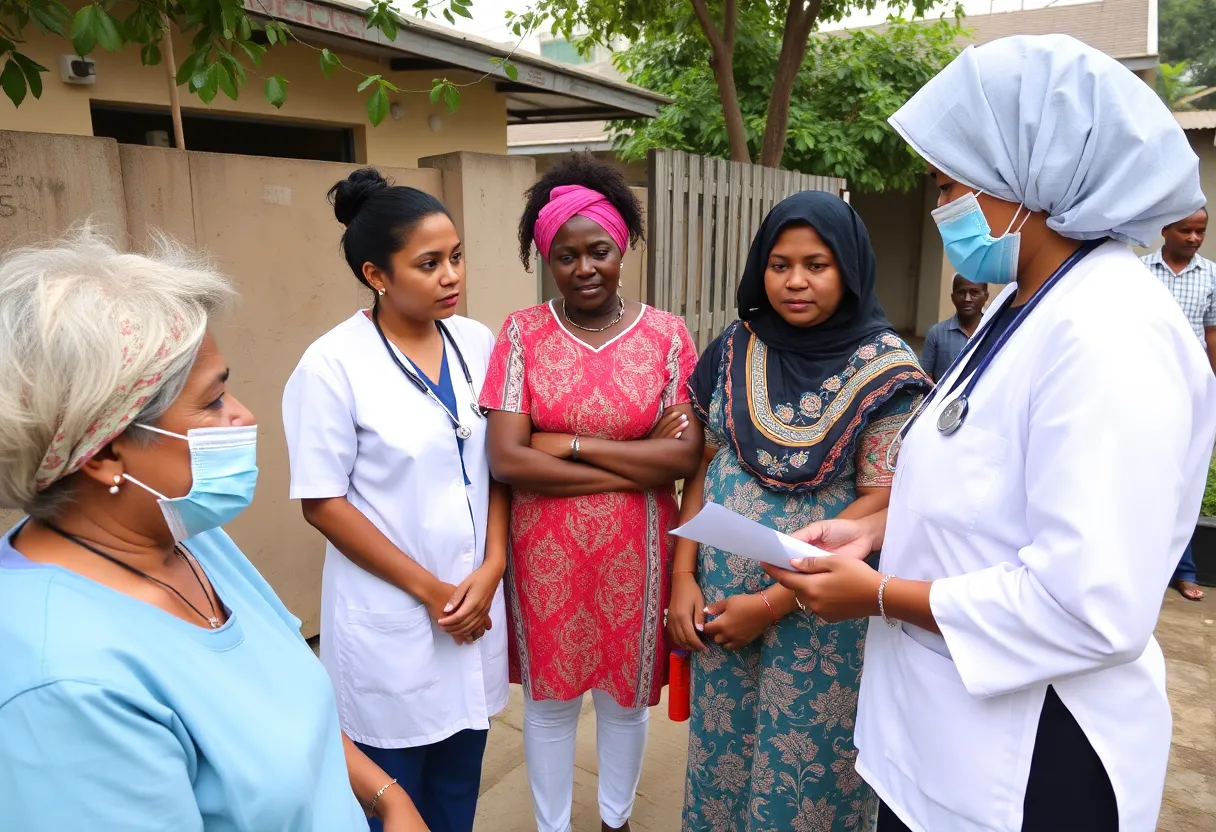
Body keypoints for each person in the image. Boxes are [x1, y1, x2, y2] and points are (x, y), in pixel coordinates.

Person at [765, 35, 1216, 832]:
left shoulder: (1110, 332)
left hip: (1034, 757)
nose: (940, 207)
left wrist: (876, 594)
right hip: (943, 735)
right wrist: (873, 529)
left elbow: (1089, 604)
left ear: (1031, 177)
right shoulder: (1027, 303)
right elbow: (988, 483)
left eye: (950, 184)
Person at [0, 229, 424, 831]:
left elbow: (289, 701)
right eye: (214, 399)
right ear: (105, 453)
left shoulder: (182, 532)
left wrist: (387, 797)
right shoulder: (63, 685)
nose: (243, 414)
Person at [668, 191, 932, 832]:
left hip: (820, 617)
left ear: (850, 268)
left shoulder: (888, 371)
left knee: (805, 776)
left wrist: (769, 604)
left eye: (817, 265)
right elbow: (705, 462)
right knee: (722, 761)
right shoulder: (736, 346)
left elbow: (881, 504)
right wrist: (682, 575)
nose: (794, 281)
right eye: (779, 264)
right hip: (719, 602)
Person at [479, 154, 703, 832]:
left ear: (622, 247)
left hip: (637, 550)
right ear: (547, 260)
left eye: (598, 251)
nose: (584, 268)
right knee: (549, 704)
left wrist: (567, 443)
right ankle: (552, 826)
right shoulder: (521, 333)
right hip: (544, 551)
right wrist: (641, 464)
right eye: (565, 255)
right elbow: (507, 459)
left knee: (624, 700)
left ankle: (615, 820)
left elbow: (685, 455)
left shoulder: (666, 335)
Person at [282, 169, 508, 832]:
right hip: (394, 615)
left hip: (474, 603)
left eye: (457, 257)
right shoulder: (331, 365)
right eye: (429, 264)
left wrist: (494, 564)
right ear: (376, 275)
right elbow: (322, 503)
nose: (451, 276)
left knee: (457, 792)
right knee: (394, 800)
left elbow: (499, 467)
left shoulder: (476, 342)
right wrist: (432, 591)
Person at [1142, 206, 1213, 601]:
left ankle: (1183, 570)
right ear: (1165, 229)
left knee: (1182, 478)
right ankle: (1141, 565)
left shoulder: (1212, 276)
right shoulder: (1139, 272)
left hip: (1189, 393)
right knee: (1144, 474)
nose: (1194, 238)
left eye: (1200, 231)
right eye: (1186, 230)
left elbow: (1212, 336)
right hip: (1145, 387)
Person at [920, 274, 988, 381]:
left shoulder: (996, 331)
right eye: (961, 292)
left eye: (974, 292)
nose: (967, 299)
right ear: (952, 297)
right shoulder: (936, 333)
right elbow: (925, 376)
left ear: (985, 296)